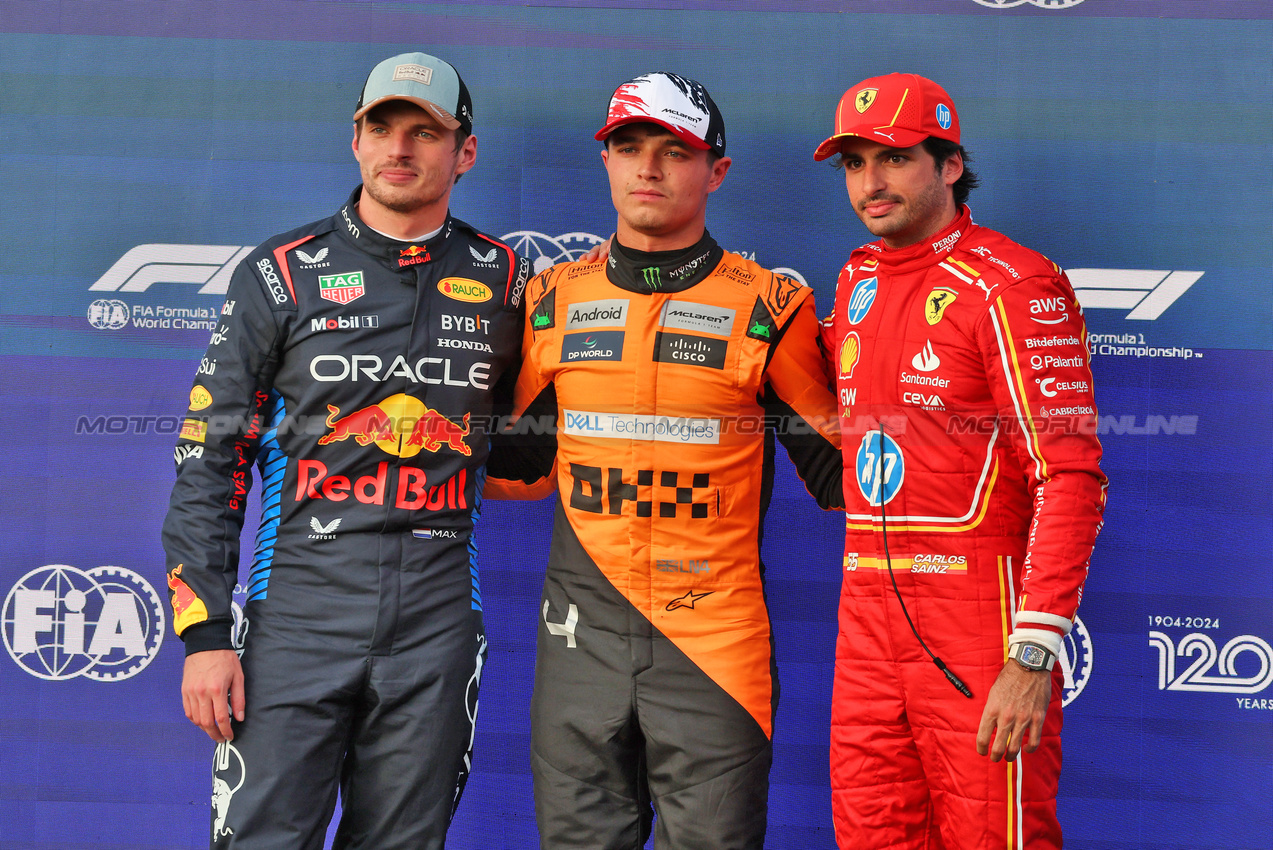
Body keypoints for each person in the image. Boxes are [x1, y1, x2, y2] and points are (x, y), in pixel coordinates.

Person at [162, 51, 530, 849]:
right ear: (355, 141)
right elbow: (208, 457)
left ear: (463, 151)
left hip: (436, 625)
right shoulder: (281, 272)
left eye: (424, 132)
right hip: (295, 617)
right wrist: (204, 637)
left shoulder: (506, 279)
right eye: (381, 128)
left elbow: (528, 449)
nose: (400, 148)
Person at [484, 71, 844, 849]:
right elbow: (513, 471)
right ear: (605, 162)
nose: (648, 168)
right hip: (578, 643)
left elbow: (845, 479)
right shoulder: (550, 300)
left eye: (673, 151)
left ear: (715, 170)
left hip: (712, 649)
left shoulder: (771, 305)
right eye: (628, 147)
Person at [814, 73, 1107, 849]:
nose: (869, 183)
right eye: (852, 163)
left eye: (893, 158)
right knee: (872, 834)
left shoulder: (1012, 282)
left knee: (993, 836)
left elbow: (1067, 474)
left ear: (948, 164)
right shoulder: (855, 278)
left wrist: (1031, 652)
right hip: (866, 612)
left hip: (976, 617)